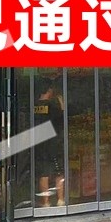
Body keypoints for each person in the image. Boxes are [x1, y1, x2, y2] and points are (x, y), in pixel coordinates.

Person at [35, 79, 65, 207]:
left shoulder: (34, 106)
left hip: (40, 143)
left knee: (43, 173)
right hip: (53, 142)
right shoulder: (52, 106)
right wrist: (61, 102)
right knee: (58, 171)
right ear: (49, 90)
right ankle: (60, 200)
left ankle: (46, 202)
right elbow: (62, 119)